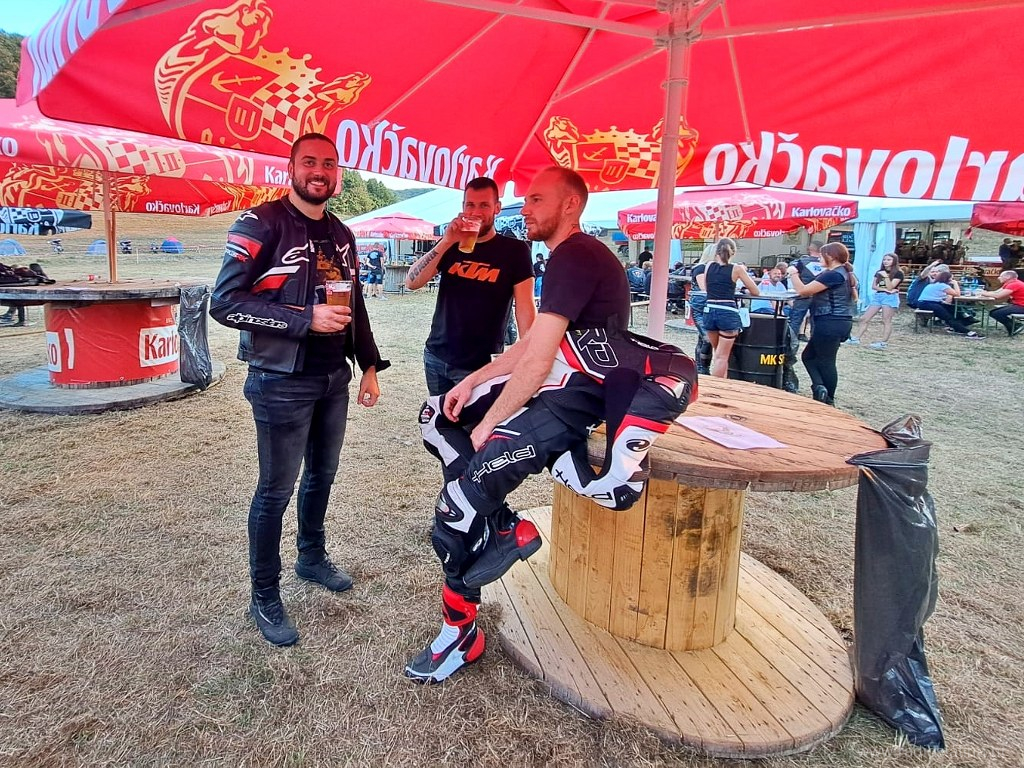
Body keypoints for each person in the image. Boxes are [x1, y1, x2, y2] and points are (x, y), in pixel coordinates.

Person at [405, 166, 693, 684]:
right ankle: (503, 527)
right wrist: (473, 382)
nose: (527, 208)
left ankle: (460, 636)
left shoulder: (576, 254)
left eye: (537, 199)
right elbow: (536, 344)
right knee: (435, 418)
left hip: (570, 403)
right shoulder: (567, 256)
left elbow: (539, 362)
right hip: (562, 387)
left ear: (570, 205)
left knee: (455, 513)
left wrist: (490, 422)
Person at [210, 132, 389, 647]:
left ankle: (311, 557)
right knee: (275, 490)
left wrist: (369, 364)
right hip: (280, 380)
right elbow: (225, 303)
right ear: (291, 168)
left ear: (338, 174)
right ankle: (264, 594)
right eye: (309, 161)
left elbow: (354, 303)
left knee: (322, 476)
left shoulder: (342, 234)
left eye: (329, 164)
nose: (319, 171)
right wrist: (302, 318)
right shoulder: (260, 223)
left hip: (334, 377)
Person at [405, 177, 536, 396]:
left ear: (497, 208)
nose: (475, 212)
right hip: (436, 356)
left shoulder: (515, 251)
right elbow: (412, 282)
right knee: (440, 418)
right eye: (470, 205)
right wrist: (447, 241)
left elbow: (525, 308)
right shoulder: (451, 244)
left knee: (476, 420)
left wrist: (532, 356)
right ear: (462, 207)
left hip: (480, 366)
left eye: (484, 205)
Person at [786, 242, 857, 405]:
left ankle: (828, 398)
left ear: (831, 256)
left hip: (830, 321)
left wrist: (793, 273)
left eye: (821, 256)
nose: (818, 259)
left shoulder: (833, 274)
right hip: (839, 321)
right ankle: (820, 388)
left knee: (826, 361)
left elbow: (804, 291)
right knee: (809, 356)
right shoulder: (842, 273)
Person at [695, 237, 760, 378]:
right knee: (722, 357)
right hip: (727, 312)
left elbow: (707, 287)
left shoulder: (709, 266)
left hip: (709, 310)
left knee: (718, 353)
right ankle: (716, 387)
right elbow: (756, 291)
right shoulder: (737, 269)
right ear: (733, 252)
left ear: (716, 252)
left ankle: (722, 382)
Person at [847, 253, 905, 349]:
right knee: (864, 318)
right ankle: (856, 338)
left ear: (894, 261)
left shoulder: (898, 273)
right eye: (884, 260)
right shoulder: (879, 272)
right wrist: (885, 289)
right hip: (878, 296)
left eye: (889, 260)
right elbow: (874, 286)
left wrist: (886, 277)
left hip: (890, 297)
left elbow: (891, 286)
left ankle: (883, 342)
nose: (886, 262)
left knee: (886, 320)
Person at [917, 270, 984, 339]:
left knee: (953, 309)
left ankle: (961, 324)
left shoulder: (932, 285)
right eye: (951, 279)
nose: (952, 280)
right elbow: (957, 294)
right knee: (948, 317)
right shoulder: (943, 285)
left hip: (926, 302)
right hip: (928, 303)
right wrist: (955, 283)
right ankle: (968, 332)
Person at [978, 270, 1024, 336]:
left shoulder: (1014, 284)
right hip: (1018, 304)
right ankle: (1014, 326)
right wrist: (985, 293)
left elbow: (998, 296)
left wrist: (983, 293)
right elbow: (996, 292)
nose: (998, 278)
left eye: (1001, 276)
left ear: (1008, 277)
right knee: (993, 312)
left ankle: (1015, 326)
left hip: (1021, 306)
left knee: (996, 313)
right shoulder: (1009, 283)